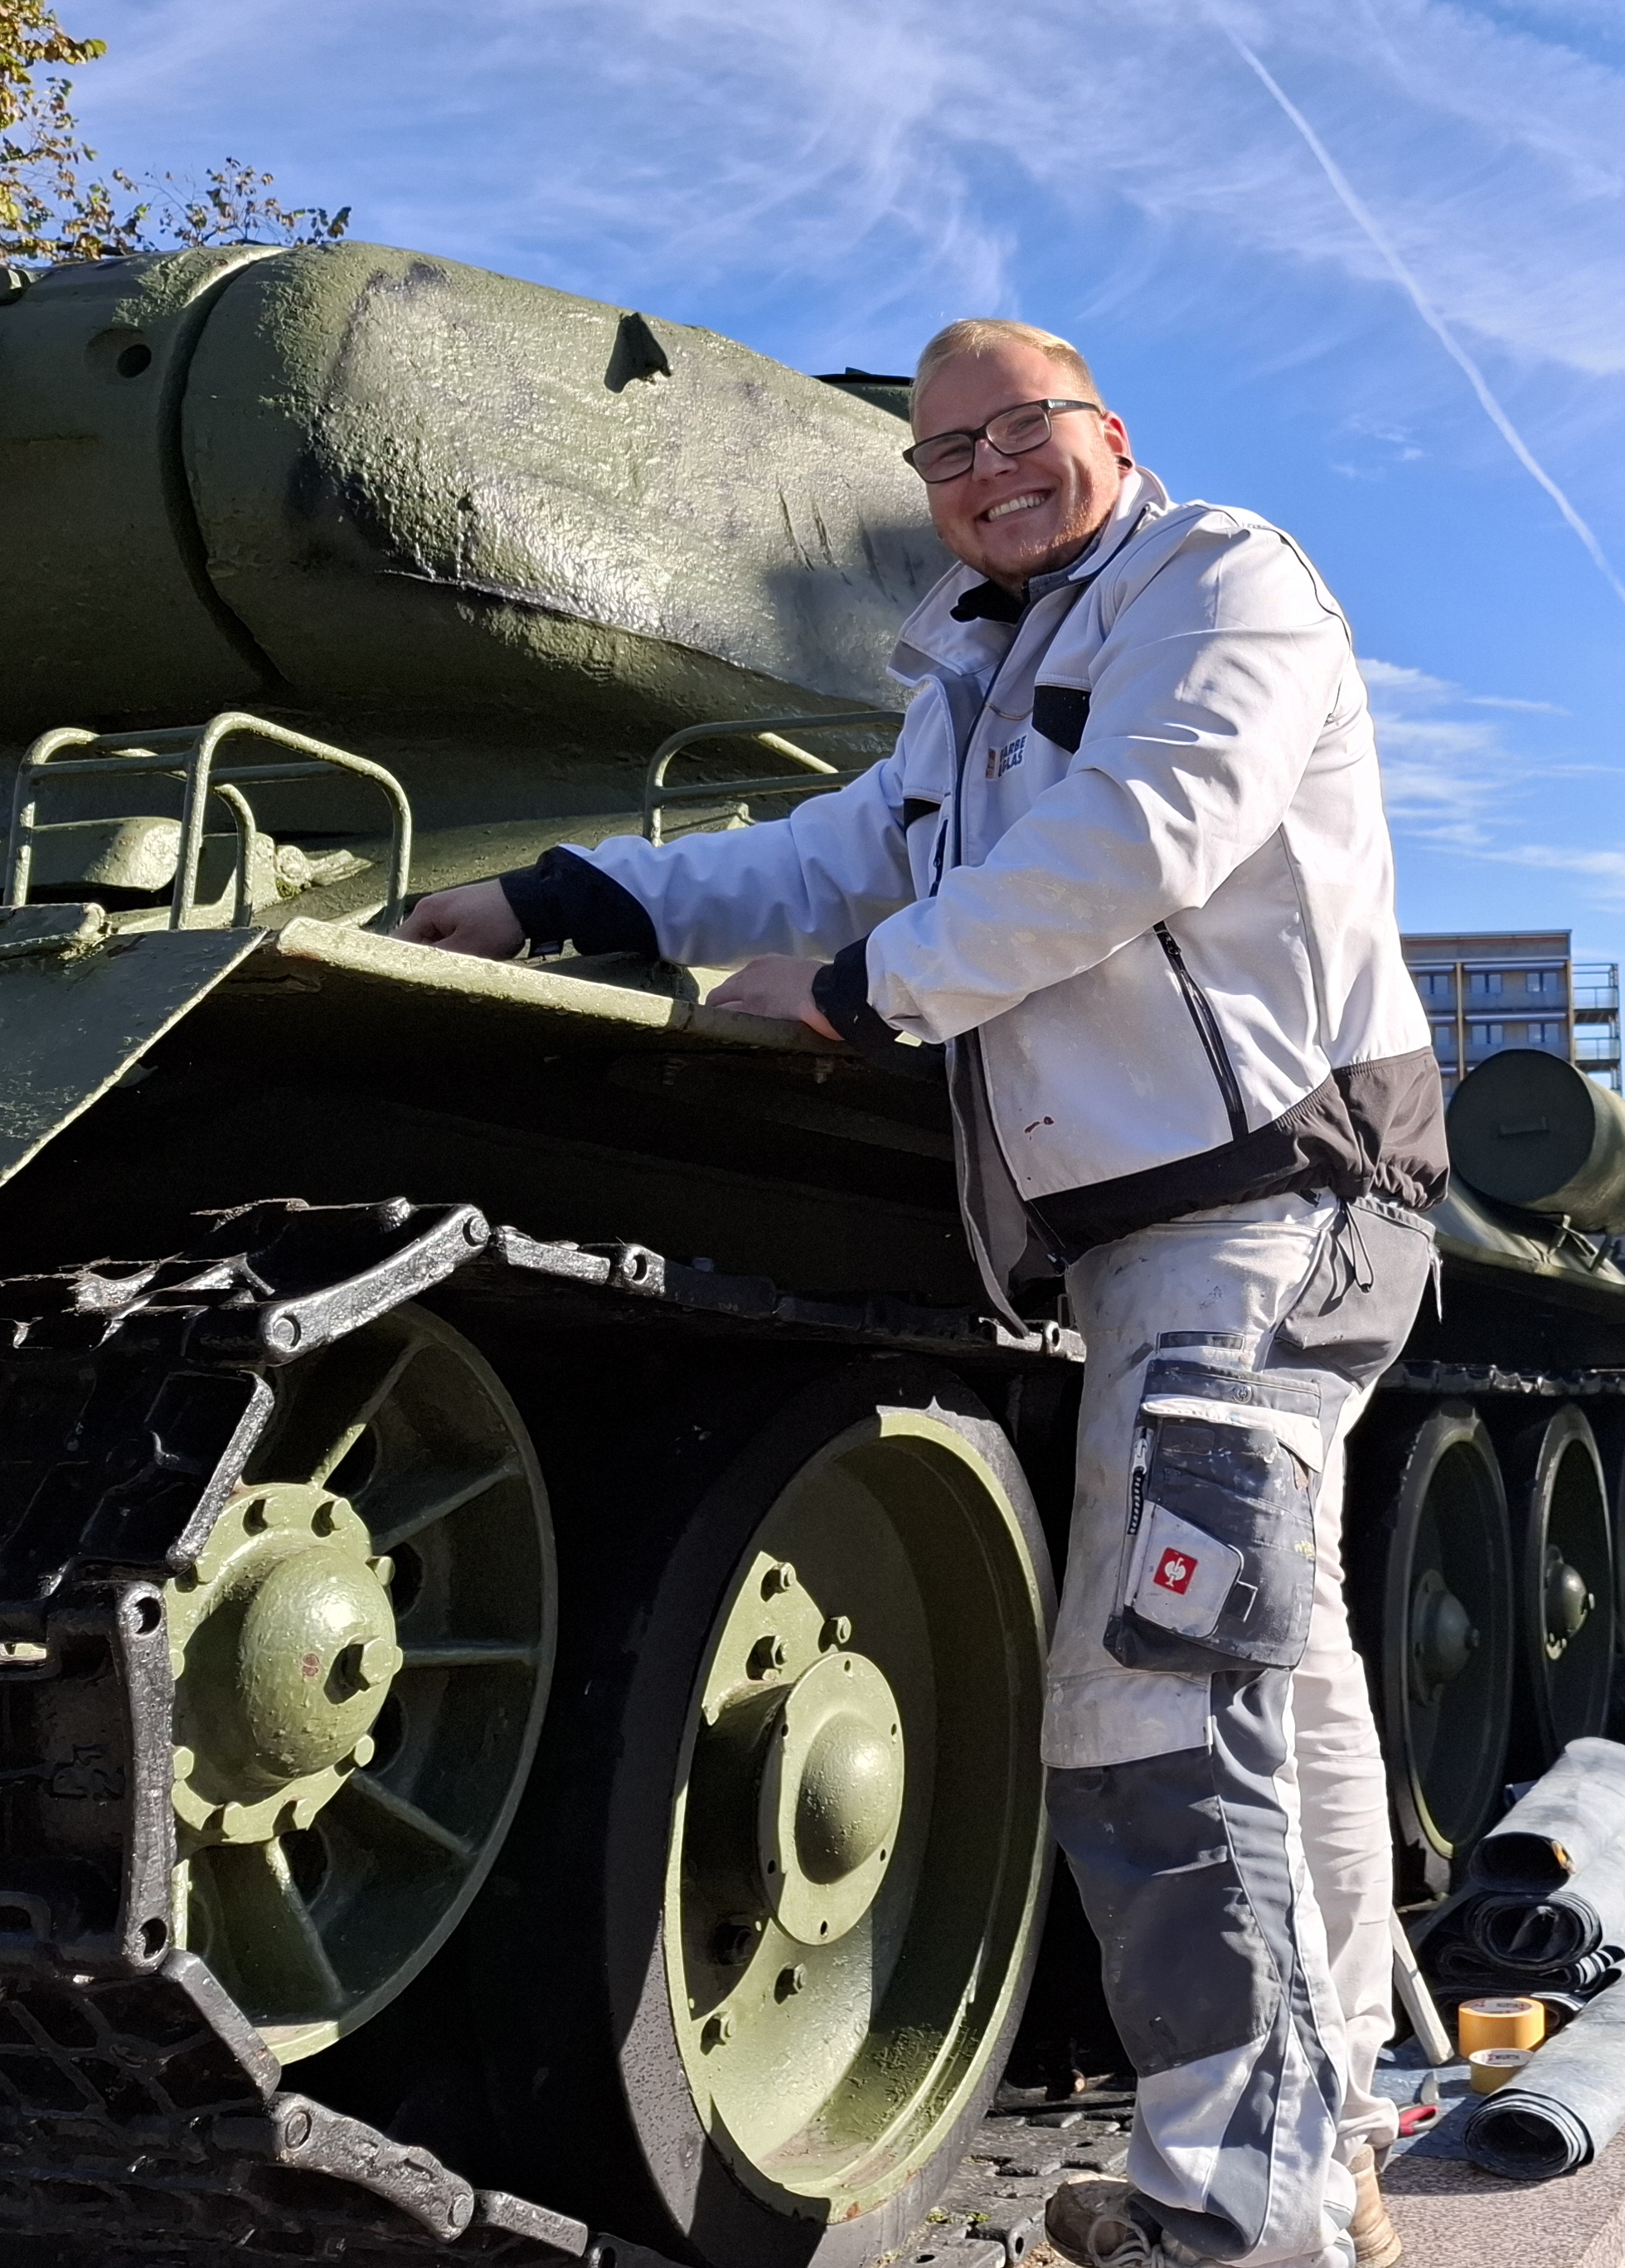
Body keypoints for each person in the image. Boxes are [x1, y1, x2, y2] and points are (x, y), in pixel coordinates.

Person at [398, 318, 1439, 2268]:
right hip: (1158, 1233)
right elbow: (833, 852)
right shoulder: (975, 671)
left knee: (1153, 1705)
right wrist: (565, 896)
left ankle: (1248, 2220)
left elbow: (1141, 834)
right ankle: (1318, 2162)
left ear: (1107, 434)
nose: (982, 470)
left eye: (1019, 430)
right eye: (945, 452)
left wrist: (871, 995)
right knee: (1276, 1701)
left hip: (1267, 1208)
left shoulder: (1220, 578)